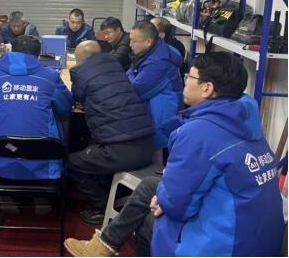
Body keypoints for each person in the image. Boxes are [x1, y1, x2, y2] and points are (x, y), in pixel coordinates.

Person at [64, 52, 285, 257]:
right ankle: (104, 245)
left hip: (224, 246)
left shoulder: (199, 133)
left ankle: (109, 246)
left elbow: (177, 207)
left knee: (148, 221)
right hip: (258, 238)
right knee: (150, 185)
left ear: (207, 89)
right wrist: (164, 197)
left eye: (190, 76)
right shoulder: (246, 119)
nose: (185, 81)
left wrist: (163, 201)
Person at [68, 41, 155, 224]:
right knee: (92, 144)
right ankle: (110, 195)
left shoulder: (80, 71)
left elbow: (76, 97)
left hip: (120, 150)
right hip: (147, 145)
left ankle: (101, 206)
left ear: (80, 59)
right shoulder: (115, 66)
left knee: (72, 162)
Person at [0, 35, 73, 180]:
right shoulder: (51, 76)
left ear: (12, 51)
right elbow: (65, 106)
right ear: (38, 55)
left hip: (1, 153)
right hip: (44, 157)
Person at [127, 20, 183, 149]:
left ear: (148, 41)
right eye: (130, 40)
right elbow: (131, 71)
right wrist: (132, 75)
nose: (130, 45)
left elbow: (136, 89)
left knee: (159, 147)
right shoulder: (153, 49)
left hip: (164, 110)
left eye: (134, 41)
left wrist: (131, 76)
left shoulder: (157, 62)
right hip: (158, 104)